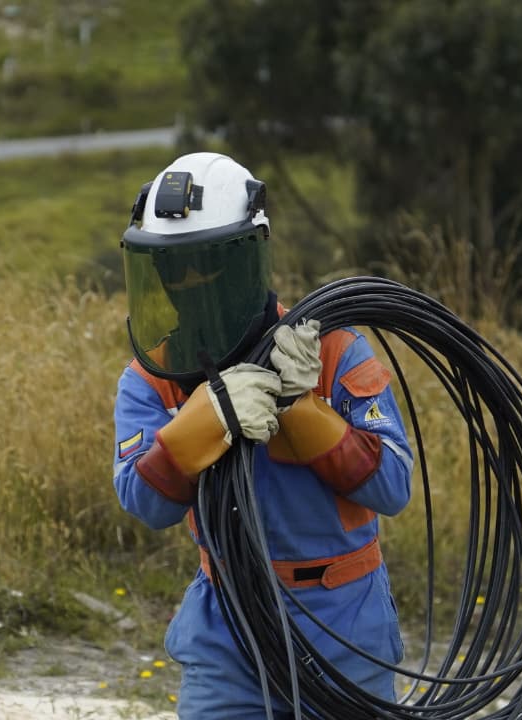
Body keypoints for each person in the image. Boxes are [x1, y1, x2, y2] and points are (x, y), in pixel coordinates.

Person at [112, 152, 413, 718]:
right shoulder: (152, 377)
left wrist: (301, 410)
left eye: (208, 265)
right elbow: (145, 503)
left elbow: (393, 487)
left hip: (344, 624)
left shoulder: (331, 350)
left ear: (250, 257)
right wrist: (202, 424)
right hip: (228, 629)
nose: (192, 284)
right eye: (176, 269)